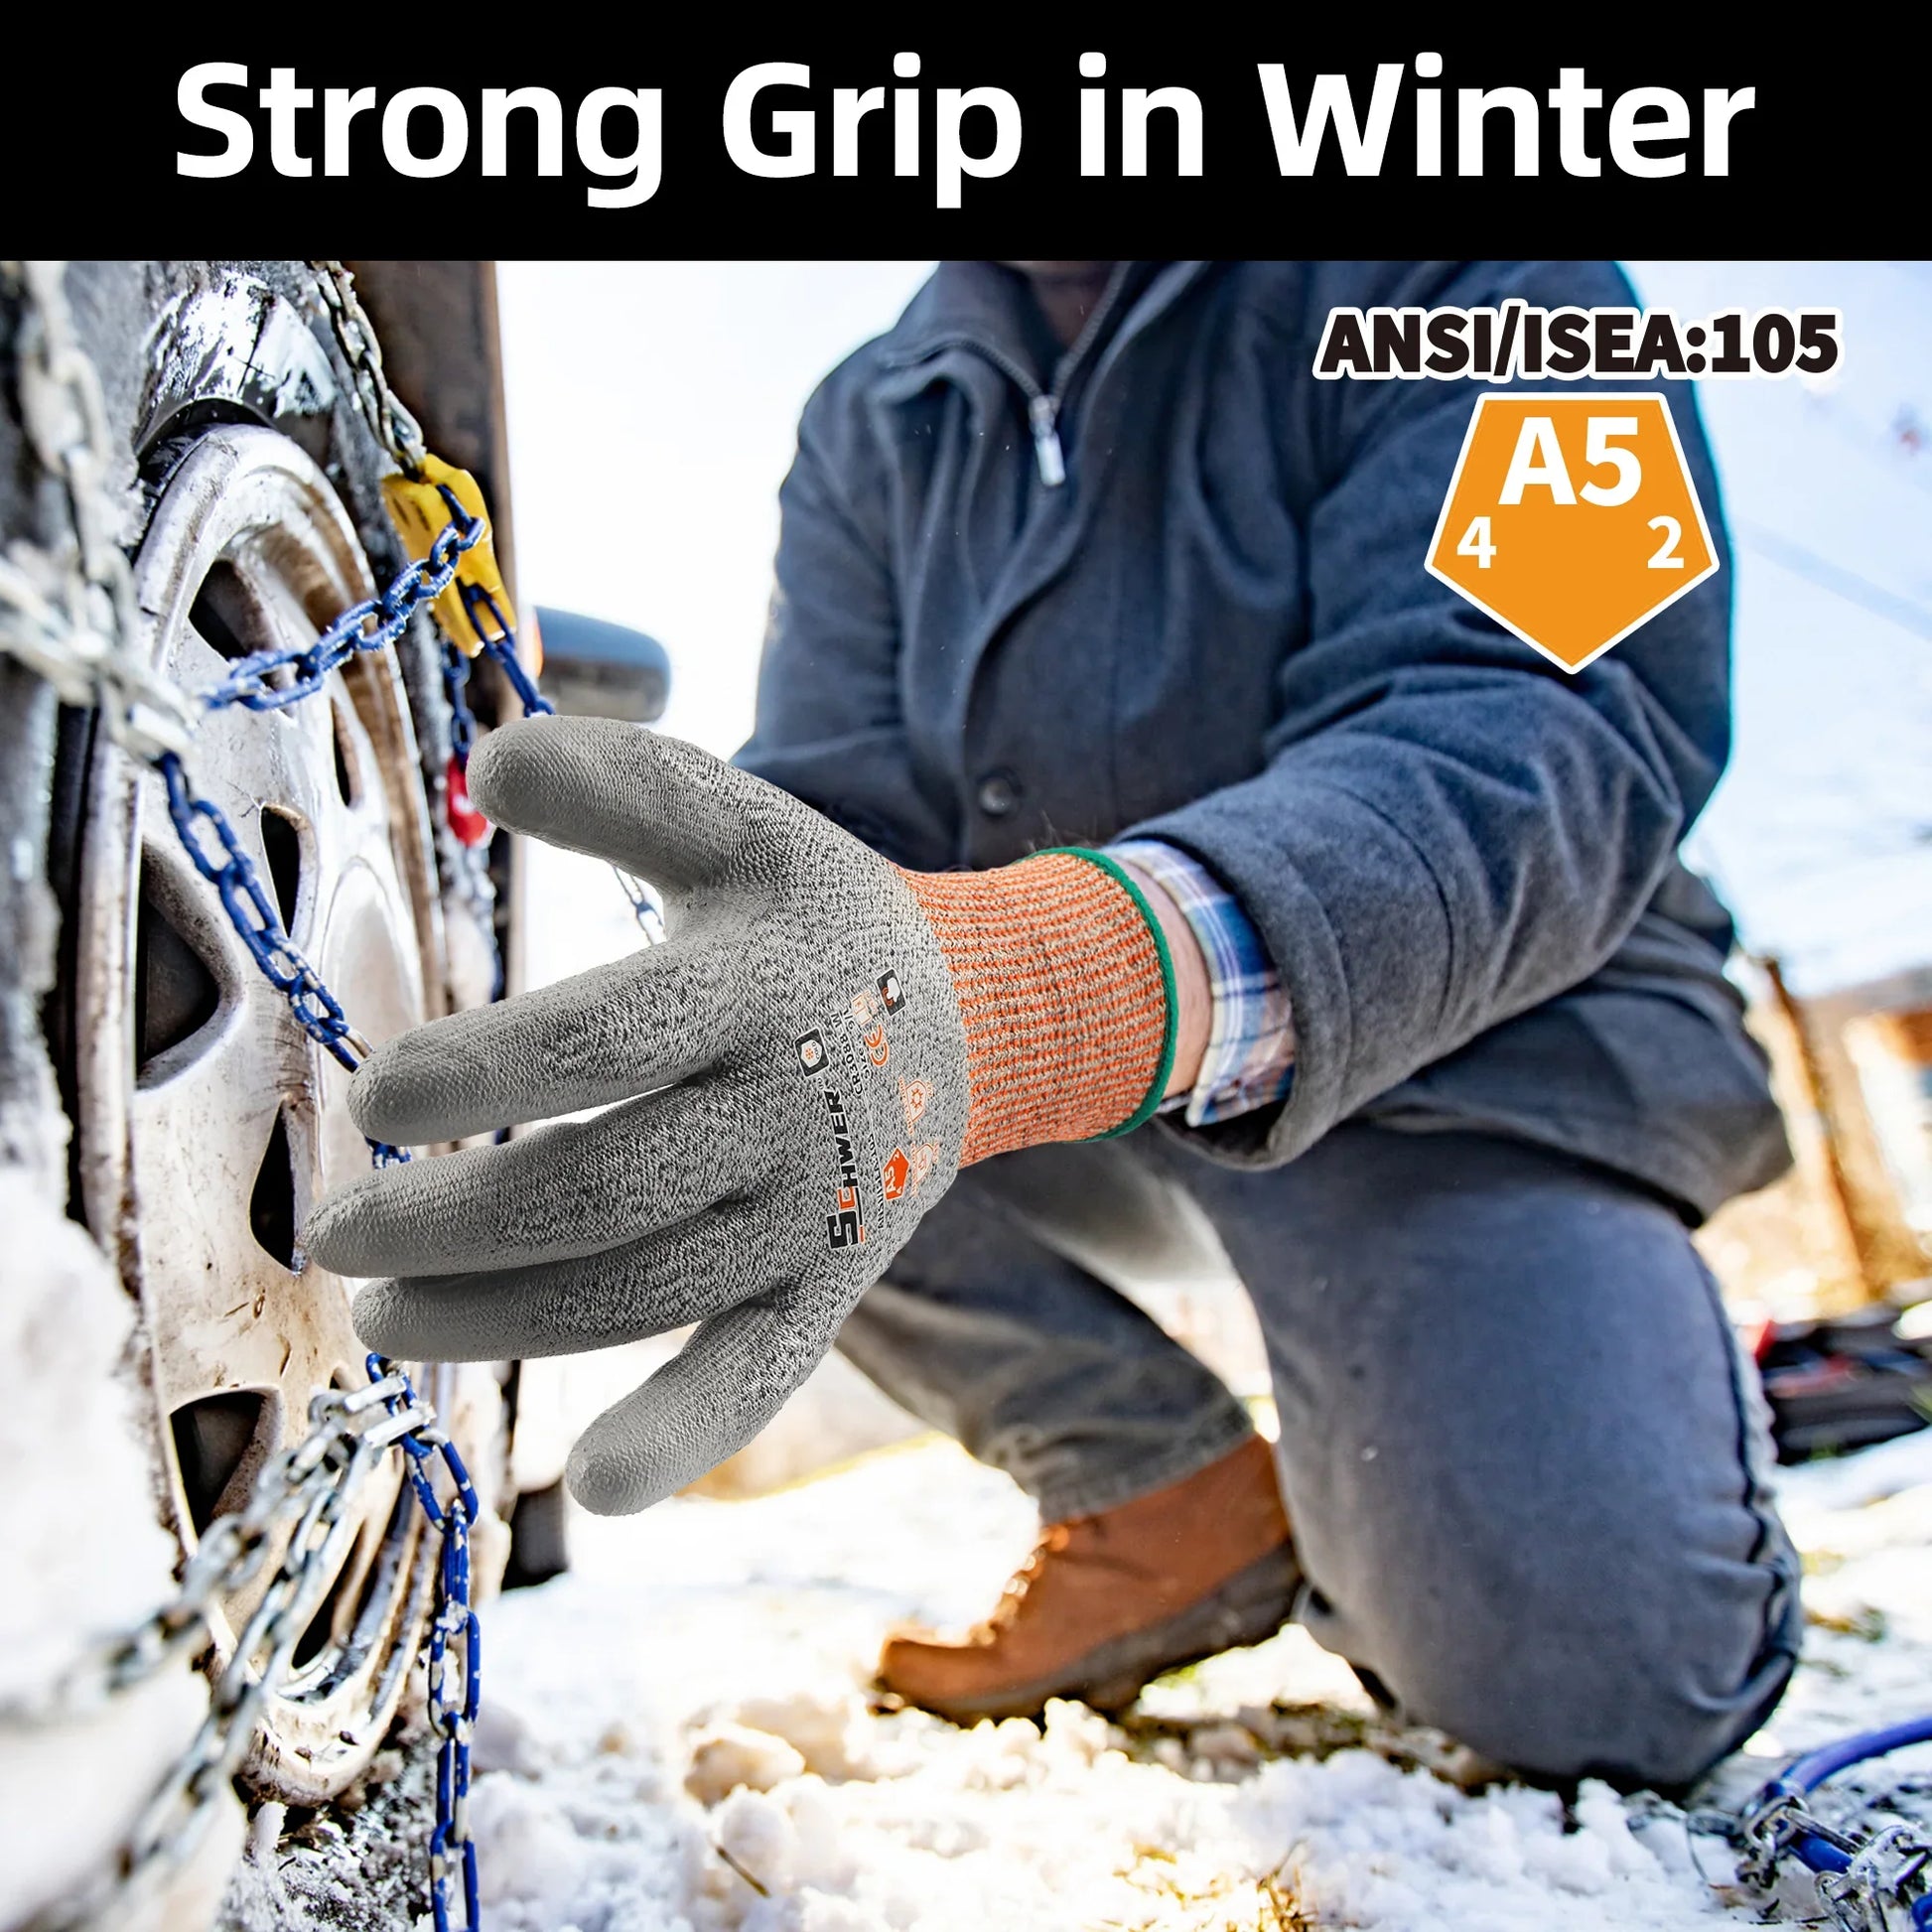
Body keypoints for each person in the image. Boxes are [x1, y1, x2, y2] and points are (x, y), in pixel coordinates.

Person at [309, 260, 1802, 1794]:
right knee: (725, 1095)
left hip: (1465, 1065)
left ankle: (1476, 1425)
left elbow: (1544, 714)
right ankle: (1146, 1479)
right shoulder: (873, 417)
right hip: (1070, 1097)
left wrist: (1056, 982)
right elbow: (841, 803)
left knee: (1583, 1676)